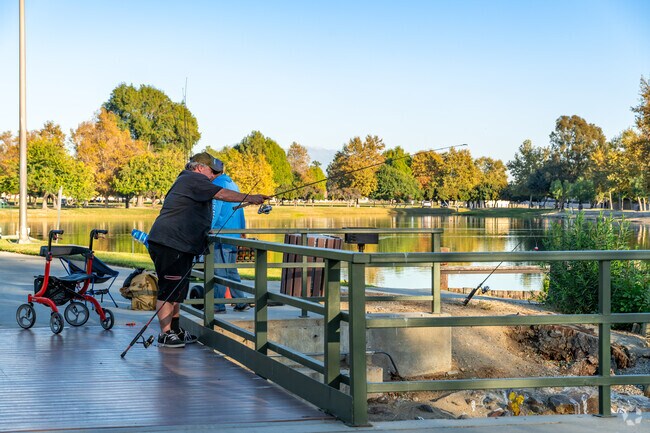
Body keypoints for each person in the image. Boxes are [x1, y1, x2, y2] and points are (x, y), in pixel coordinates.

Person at [147, 152, 269, 348]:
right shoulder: (193, 179)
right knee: (168, 290)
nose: (214, 176)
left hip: (179, 244)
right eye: (212, 171)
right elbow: (222, 193)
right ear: (199, 167)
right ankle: (165, 334)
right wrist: (251, 197)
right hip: (169, 243)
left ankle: (175, 330)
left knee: (178, 291)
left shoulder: (191, 181)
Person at [210, 159, 250, 313]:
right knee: (231, 270)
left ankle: (217, 305)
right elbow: (240, 210)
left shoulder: (216, 186)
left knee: (219, 270)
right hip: (234, 234)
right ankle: (241, 301)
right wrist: (242, 231)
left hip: (221, 233)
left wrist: (210, 228)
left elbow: (214, 210)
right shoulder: (233, 184)